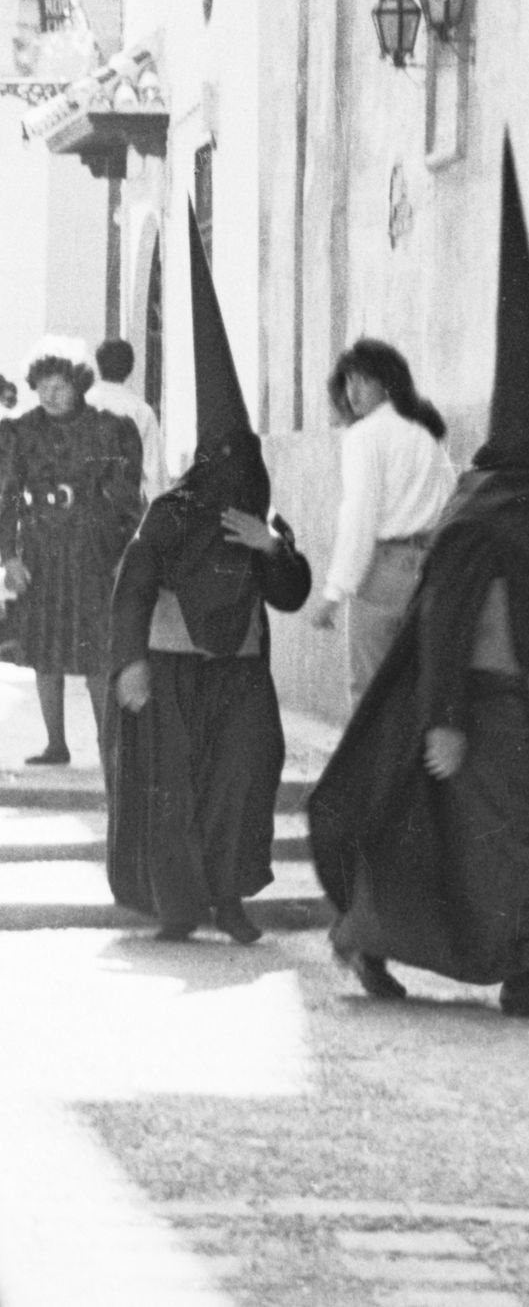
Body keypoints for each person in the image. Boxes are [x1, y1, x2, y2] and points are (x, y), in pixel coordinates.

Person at [309, 135, 529, 1016]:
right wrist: (447, 719)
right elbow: (444, 623)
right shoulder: (476, 519)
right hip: (468, 705)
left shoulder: (514, 521)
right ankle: (519, 976)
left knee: (464, 841)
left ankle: (378, 947)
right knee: (511, 841)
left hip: (502, 701)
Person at [106, 207, 311, 943]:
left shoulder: (262, 517)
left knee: (242, 782)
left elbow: (291, 594)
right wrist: (131, 663)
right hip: (172, 669)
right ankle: (180, 905)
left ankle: (230, 898)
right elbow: (133, 585)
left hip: (240, 672)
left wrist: (272, 547)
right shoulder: (169, 512)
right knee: (175, 792)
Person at [0, 336, 143, 766]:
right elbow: (6, 498)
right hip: (40, 555)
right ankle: (55, 744)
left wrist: (120, 554)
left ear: (78, 384)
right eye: (43, 384)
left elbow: (125, 500)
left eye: (59, 384)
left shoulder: (107, 428)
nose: (50, 393)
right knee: (44, 652)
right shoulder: (20, 433)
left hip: (91, 554)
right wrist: (9, 557)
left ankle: (108, 746)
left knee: (96, 652)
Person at [307, 339, 457, 705]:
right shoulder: (425, 434)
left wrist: (334, 592)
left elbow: (360, 516)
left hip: (383, 575)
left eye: (363, 380)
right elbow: (452, 502)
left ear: (387, 383)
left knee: (374, 700)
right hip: (433, 573)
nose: (352, 391)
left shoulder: (363, 436)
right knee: (424, 694)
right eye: (348, 381)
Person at [88, 337, 166, 503]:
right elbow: (155, 477)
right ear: (130, 368)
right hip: (123, 513)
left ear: (98, 365)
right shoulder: (141, 411)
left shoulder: (81, 404)